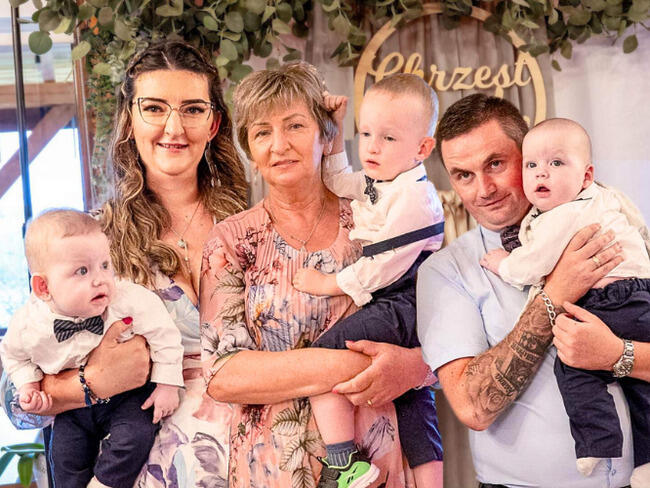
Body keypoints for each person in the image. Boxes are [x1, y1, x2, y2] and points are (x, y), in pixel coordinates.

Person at [2, 40, 248, 487]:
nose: (174, 127)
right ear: (130, 121)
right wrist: (92, 380)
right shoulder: (89, 243)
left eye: (193, 109)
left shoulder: (254, 225)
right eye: (154, 108)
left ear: (213, 123)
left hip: (259, 463)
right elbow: (15, 401)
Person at [200, 62, 435, 488]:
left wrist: (417, 367)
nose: (279, 145)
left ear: (326, 136)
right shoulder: (231, 241)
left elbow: (435, 320)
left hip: (380, 461)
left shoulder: (376, 220)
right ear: (250, 150)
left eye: (295, 125)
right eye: (262, 132)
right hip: (272, 468)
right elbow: (222, 375)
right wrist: (373, 366)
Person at [416, 93, 647, 488]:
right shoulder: (446, 272)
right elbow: (473, 407)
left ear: (527, 156)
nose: (484, 189)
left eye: (495, 164)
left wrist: (617, 354)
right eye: (463, 175)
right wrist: (556, 292)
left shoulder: (614, 222)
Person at [479, 118, 650, 484]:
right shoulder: (605, 198)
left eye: (556, 163)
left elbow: (533, 263)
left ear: (586, 176)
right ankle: (647, 462)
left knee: (573, 366)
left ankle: (598, 442)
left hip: (607, 299)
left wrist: (504, 263)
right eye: (532, 164)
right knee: (641, 386)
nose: (542, 172)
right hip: (639, 295)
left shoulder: (564, 213)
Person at [292, 74, 444, 485]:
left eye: (388, 138)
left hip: (405, 298)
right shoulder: (383, 180)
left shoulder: (415, 197)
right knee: (414, 399)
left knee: (322, 360)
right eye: (366, 133)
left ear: (422, 149)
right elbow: (339, 181)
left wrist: (328, 283)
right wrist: (338, 130)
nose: (372, 147)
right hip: (404, 299)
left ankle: (344, 462)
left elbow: (383, 265)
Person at [1, 209, 183, 488]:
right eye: (82, 271)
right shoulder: (29, 324)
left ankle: (105, 482)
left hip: (127, 396)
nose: (100, 279)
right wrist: (29, 386)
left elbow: (164, 333)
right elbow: (14, 357)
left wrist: (167, 383)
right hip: (72, 409)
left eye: (105, 265)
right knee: (64, 456)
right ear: (43, 287)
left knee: (135, 435)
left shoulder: (128, 299)